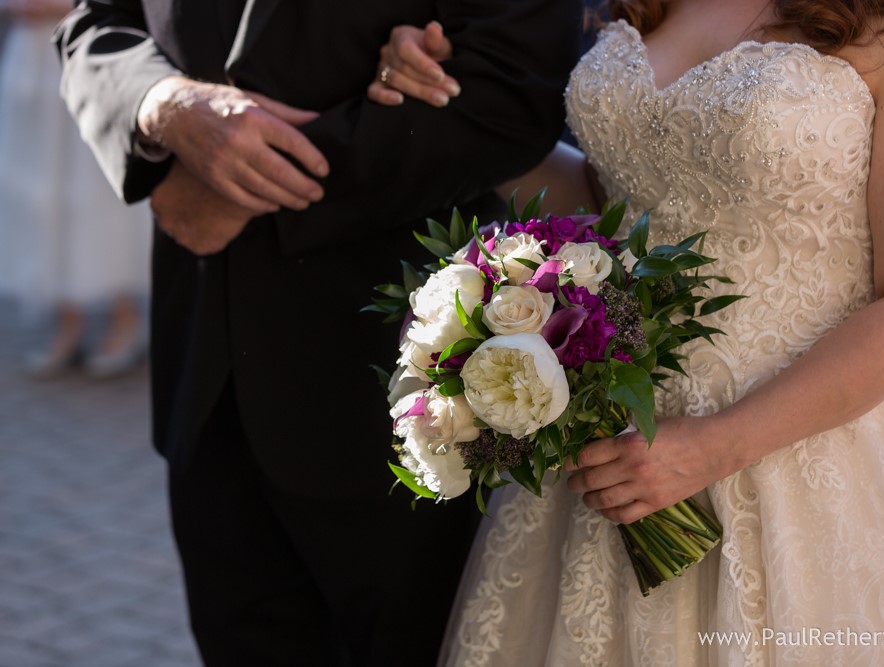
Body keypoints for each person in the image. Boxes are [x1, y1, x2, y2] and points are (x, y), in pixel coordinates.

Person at [372, 0, 884, 664]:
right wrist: (450, 95)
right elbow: (620, 206)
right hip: (615, 446)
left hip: (812, 462)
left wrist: (714, 447)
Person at [53, 2, 582, 665]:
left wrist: (241, 191)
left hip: (401, 406)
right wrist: (163, 103)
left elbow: (513, 83)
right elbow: (93, 24)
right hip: (207, 385)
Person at [0, 0, 151, 380]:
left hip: (81, 54)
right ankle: (68, 320)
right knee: (41, 193)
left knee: (91, 189)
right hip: (29, 63)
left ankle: (125, 318)